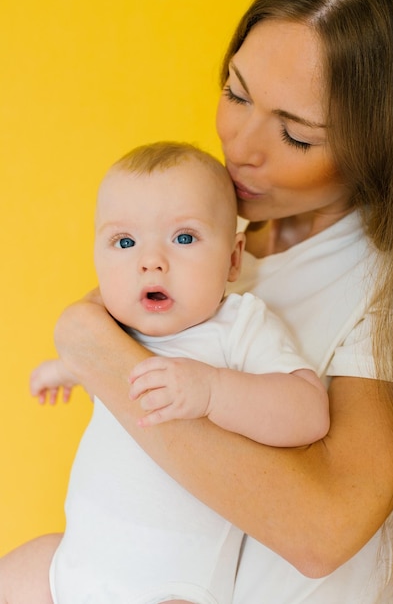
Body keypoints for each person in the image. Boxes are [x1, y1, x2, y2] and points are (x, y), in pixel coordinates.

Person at [1, 0, 393, 603]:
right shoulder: (209, 229)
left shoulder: (389, 286)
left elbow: (322, 529)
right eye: (236, 93)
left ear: (382, 146)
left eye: (296, 135)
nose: (240, 147)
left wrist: (93, 347)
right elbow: (112, 311)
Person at [3, 141, 328, 604]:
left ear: (234, 258)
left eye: (183, 238)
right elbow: (111, 377)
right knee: (18, 572)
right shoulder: (115, 332)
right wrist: (69, 369)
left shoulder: (237, 327)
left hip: (170, 588)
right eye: (125, 242)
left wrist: (213, 391)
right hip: (74, 564)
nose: (150, 261)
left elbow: (308, 411)